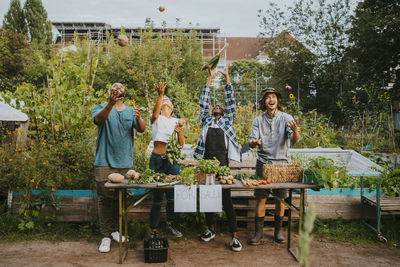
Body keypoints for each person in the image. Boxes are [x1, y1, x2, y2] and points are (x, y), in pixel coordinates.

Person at [194, 63, 242, 252]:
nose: (218, 106)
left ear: (223, 112)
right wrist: (210, 77)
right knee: (208, 198)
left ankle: (235, 236)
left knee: (226, 199)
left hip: (222, 165)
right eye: (216, 105)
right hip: (207, 164)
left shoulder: (227, 121)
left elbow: (231, 102)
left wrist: (227, 78)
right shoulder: (205, 120)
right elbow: (203, 101)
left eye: (220, 106)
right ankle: (210, 229)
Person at [92, 82, 146, 253]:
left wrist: (138, 118)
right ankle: (105, 236)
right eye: (114, 89)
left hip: (124, 163)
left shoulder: (131, 111)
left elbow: (142, 129)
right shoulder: (100, 107)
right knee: (105, 198)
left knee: (120, 198)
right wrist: (110, 103)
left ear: (124, 93)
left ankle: (115, 231)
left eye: (121, 89)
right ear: (109, 92)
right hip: (104, 161)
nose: (118, 91)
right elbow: (99, 120)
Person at [248, 87, 300, 245]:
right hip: (263, 164)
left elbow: (295, 140)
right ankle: (259, 233)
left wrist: (296, 131)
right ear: (264, 102)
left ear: (278, 100)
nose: (271, 100)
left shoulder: (286, 118)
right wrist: (254, 142)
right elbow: (251, 142)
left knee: (280, 199)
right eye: (267, 97)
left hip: (282, 165)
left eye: (273, 97)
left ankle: (278, 231)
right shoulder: (258, 120)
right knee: (261, 199)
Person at [149, 81, 185, 238]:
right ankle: (154, 230)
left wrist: (179, 131)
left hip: (172, 160)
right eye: (163, 101)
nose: (165, 102)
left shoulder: (175, 121)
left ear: (171, 106)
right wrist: (160, 95)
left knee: (172, 196)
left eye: (167, 101)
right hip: (157, 158)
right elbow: (155, 114)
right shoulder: (155, 119)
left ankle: (170, 225)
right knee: (157, 196)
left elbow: (181, 144)